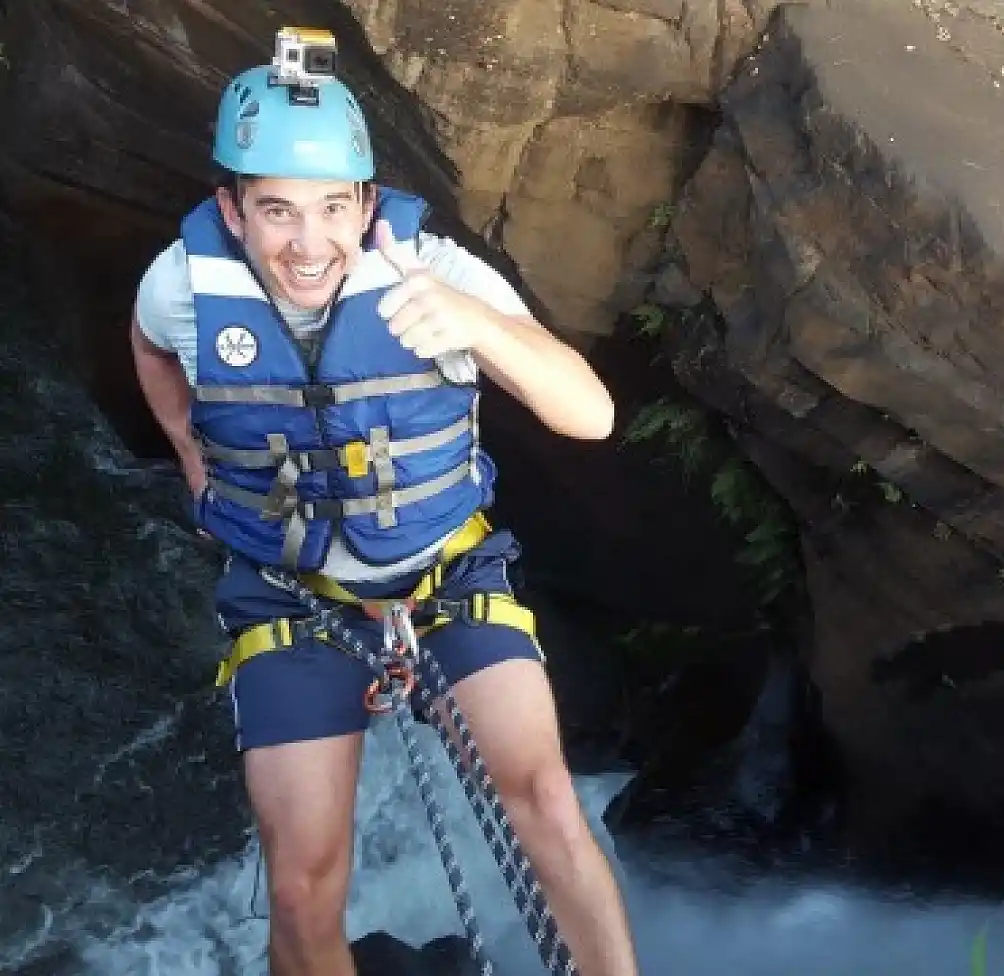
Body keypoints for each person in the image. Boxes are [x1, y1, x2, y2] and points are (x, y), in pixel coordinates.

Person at [129, 31, 638, 976]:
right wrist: (194, 468)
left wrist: (477, 326)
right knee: (301, 886)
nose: (307, 242)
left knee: (546, 805)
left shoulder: (432, 275)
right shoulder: (183, 289)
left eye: (332, 207)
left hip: (447, 573)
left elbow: (591, 413)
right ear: (230, 211)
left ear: (366, 204)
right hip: (294, 593)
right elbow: (150, 347)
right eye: (277, 210)